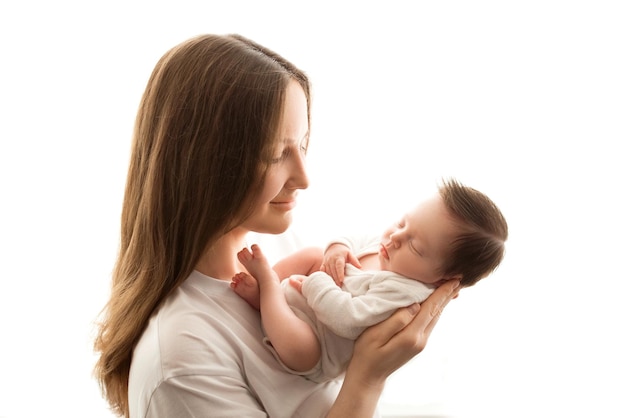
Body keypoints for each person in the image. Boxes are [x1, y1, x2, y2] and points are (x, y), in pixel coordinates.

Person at [93, 33, 460, 418]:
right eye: (275, 155)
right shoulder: (184, 359)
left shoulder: (287, 250)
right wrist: (368, 378)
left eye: (301, 146)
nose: (304, 178)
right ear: (204, 166)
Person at [231, 178, 508, 383]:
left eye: (416, 246)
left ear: (445, 279)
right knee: (313, 253)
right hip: (302, 299)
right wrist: (337, 248)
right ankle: (267, 297)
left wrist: (316, 282)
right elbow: (355, 242)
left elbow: (348, 319)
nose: (396, 238)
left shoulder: (405, 293)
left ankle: (268, 287)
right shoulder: (387, 246)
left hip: (317, 341)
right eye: (402, 224)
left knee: (301, 351)